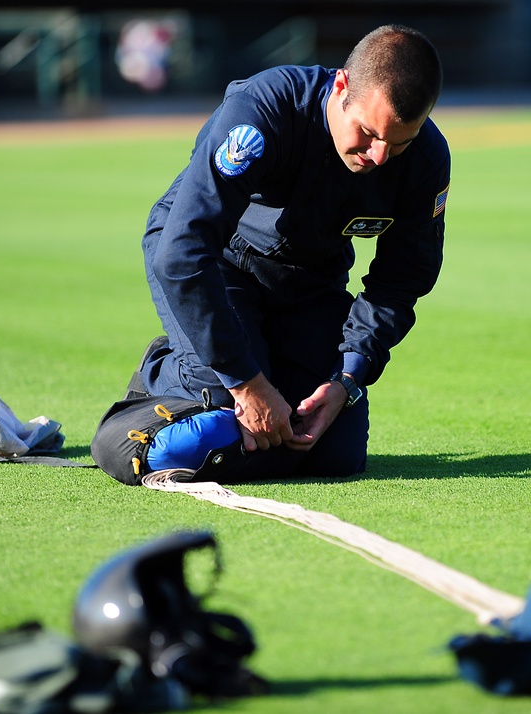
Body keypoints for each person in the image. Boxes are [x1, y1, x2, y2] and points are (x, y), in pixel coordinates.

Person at [133, 24, 450, 481]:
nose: (380, 157)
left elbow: (401, 282)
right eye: (366, 132)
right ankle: (175, 371)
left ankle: (237, 369)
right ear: (341, 86)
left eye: (398, 142)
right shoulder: (263, 111)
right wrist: (247, 384)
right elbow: (183, 250)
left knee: (334, 454)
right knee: (225, 405)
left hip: (310, 281)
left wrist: (347, 380)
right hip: (221, 263)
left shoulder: (426, 159)